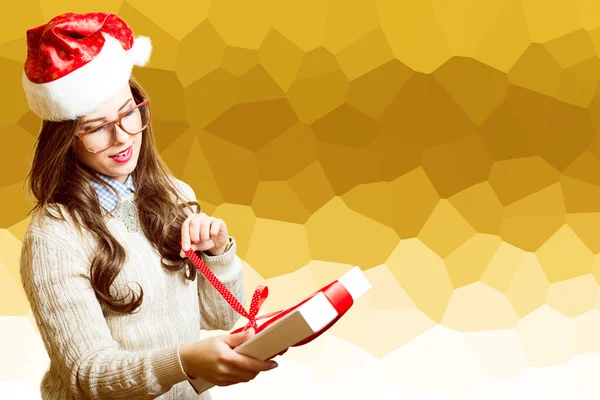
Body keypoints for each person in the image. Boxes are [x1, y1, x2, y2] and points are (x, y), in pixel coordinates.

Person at [19, 11, 277, 399]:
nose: (121, 137)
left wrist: (219, 251)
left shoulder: (175, 193)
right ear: (65, 138)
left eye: (128, 114)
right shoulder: (54, 237)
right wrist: (184, 362)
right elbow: (85, 375)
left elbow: (223, 316)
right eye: (94, 127)